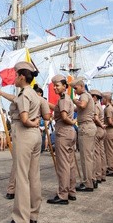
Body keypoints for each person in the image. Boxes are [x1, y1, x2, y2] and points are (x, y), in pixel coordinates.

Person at [0, 61, 50, 223]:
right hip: (35, 138)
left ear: (21, 76)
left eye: (15, 75)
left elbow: (26, 119)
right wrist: (0, 93)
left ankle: (21, 220)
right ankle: (33, 214)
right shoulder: (34, 94)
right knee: (34, 176)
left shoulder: (24, 95)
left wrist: (33, 122)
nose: (14, 78)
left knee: (21, 176)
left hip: (24, 134)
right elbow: (16, 100)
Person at [47, 74, 77, 204]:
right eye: (54, 85)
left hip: (63, 132)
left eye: (57, 85)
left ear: (64, 86)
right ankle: (71, 191)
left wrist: (72, 122)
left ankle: (62, 195)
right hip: (69, 133)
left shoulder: (63, 99)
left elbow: (64, 117)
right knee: (70, 163)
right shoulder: (65, 99)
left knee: (63, 165)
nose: (54, 88)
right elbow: (59, 109)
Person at [72, 77, 95, 191]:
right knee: (89, 156)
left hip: (85, 127)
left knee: (85, 157)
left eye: (75, 88)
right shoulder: (87, 96)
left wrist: (74, 100)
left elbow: (82, 105)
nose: (75, 91)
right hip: (88, 126)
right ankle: (91, 179)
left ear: (81, 86)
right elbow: (77, 109)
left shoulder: (84, 95)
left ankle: (87, 183)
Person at [91, 90, 107, 186]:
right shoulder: (100, 106)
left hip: (98, 129)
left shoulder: (95, 106)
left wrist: (101, 125)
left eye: (91, 96)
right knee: (101, 152)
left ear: (95, 97)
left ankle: (97, 174)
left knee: (96, 153)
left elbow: (95, 118)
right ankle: (102, 173)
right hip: (101, 130)